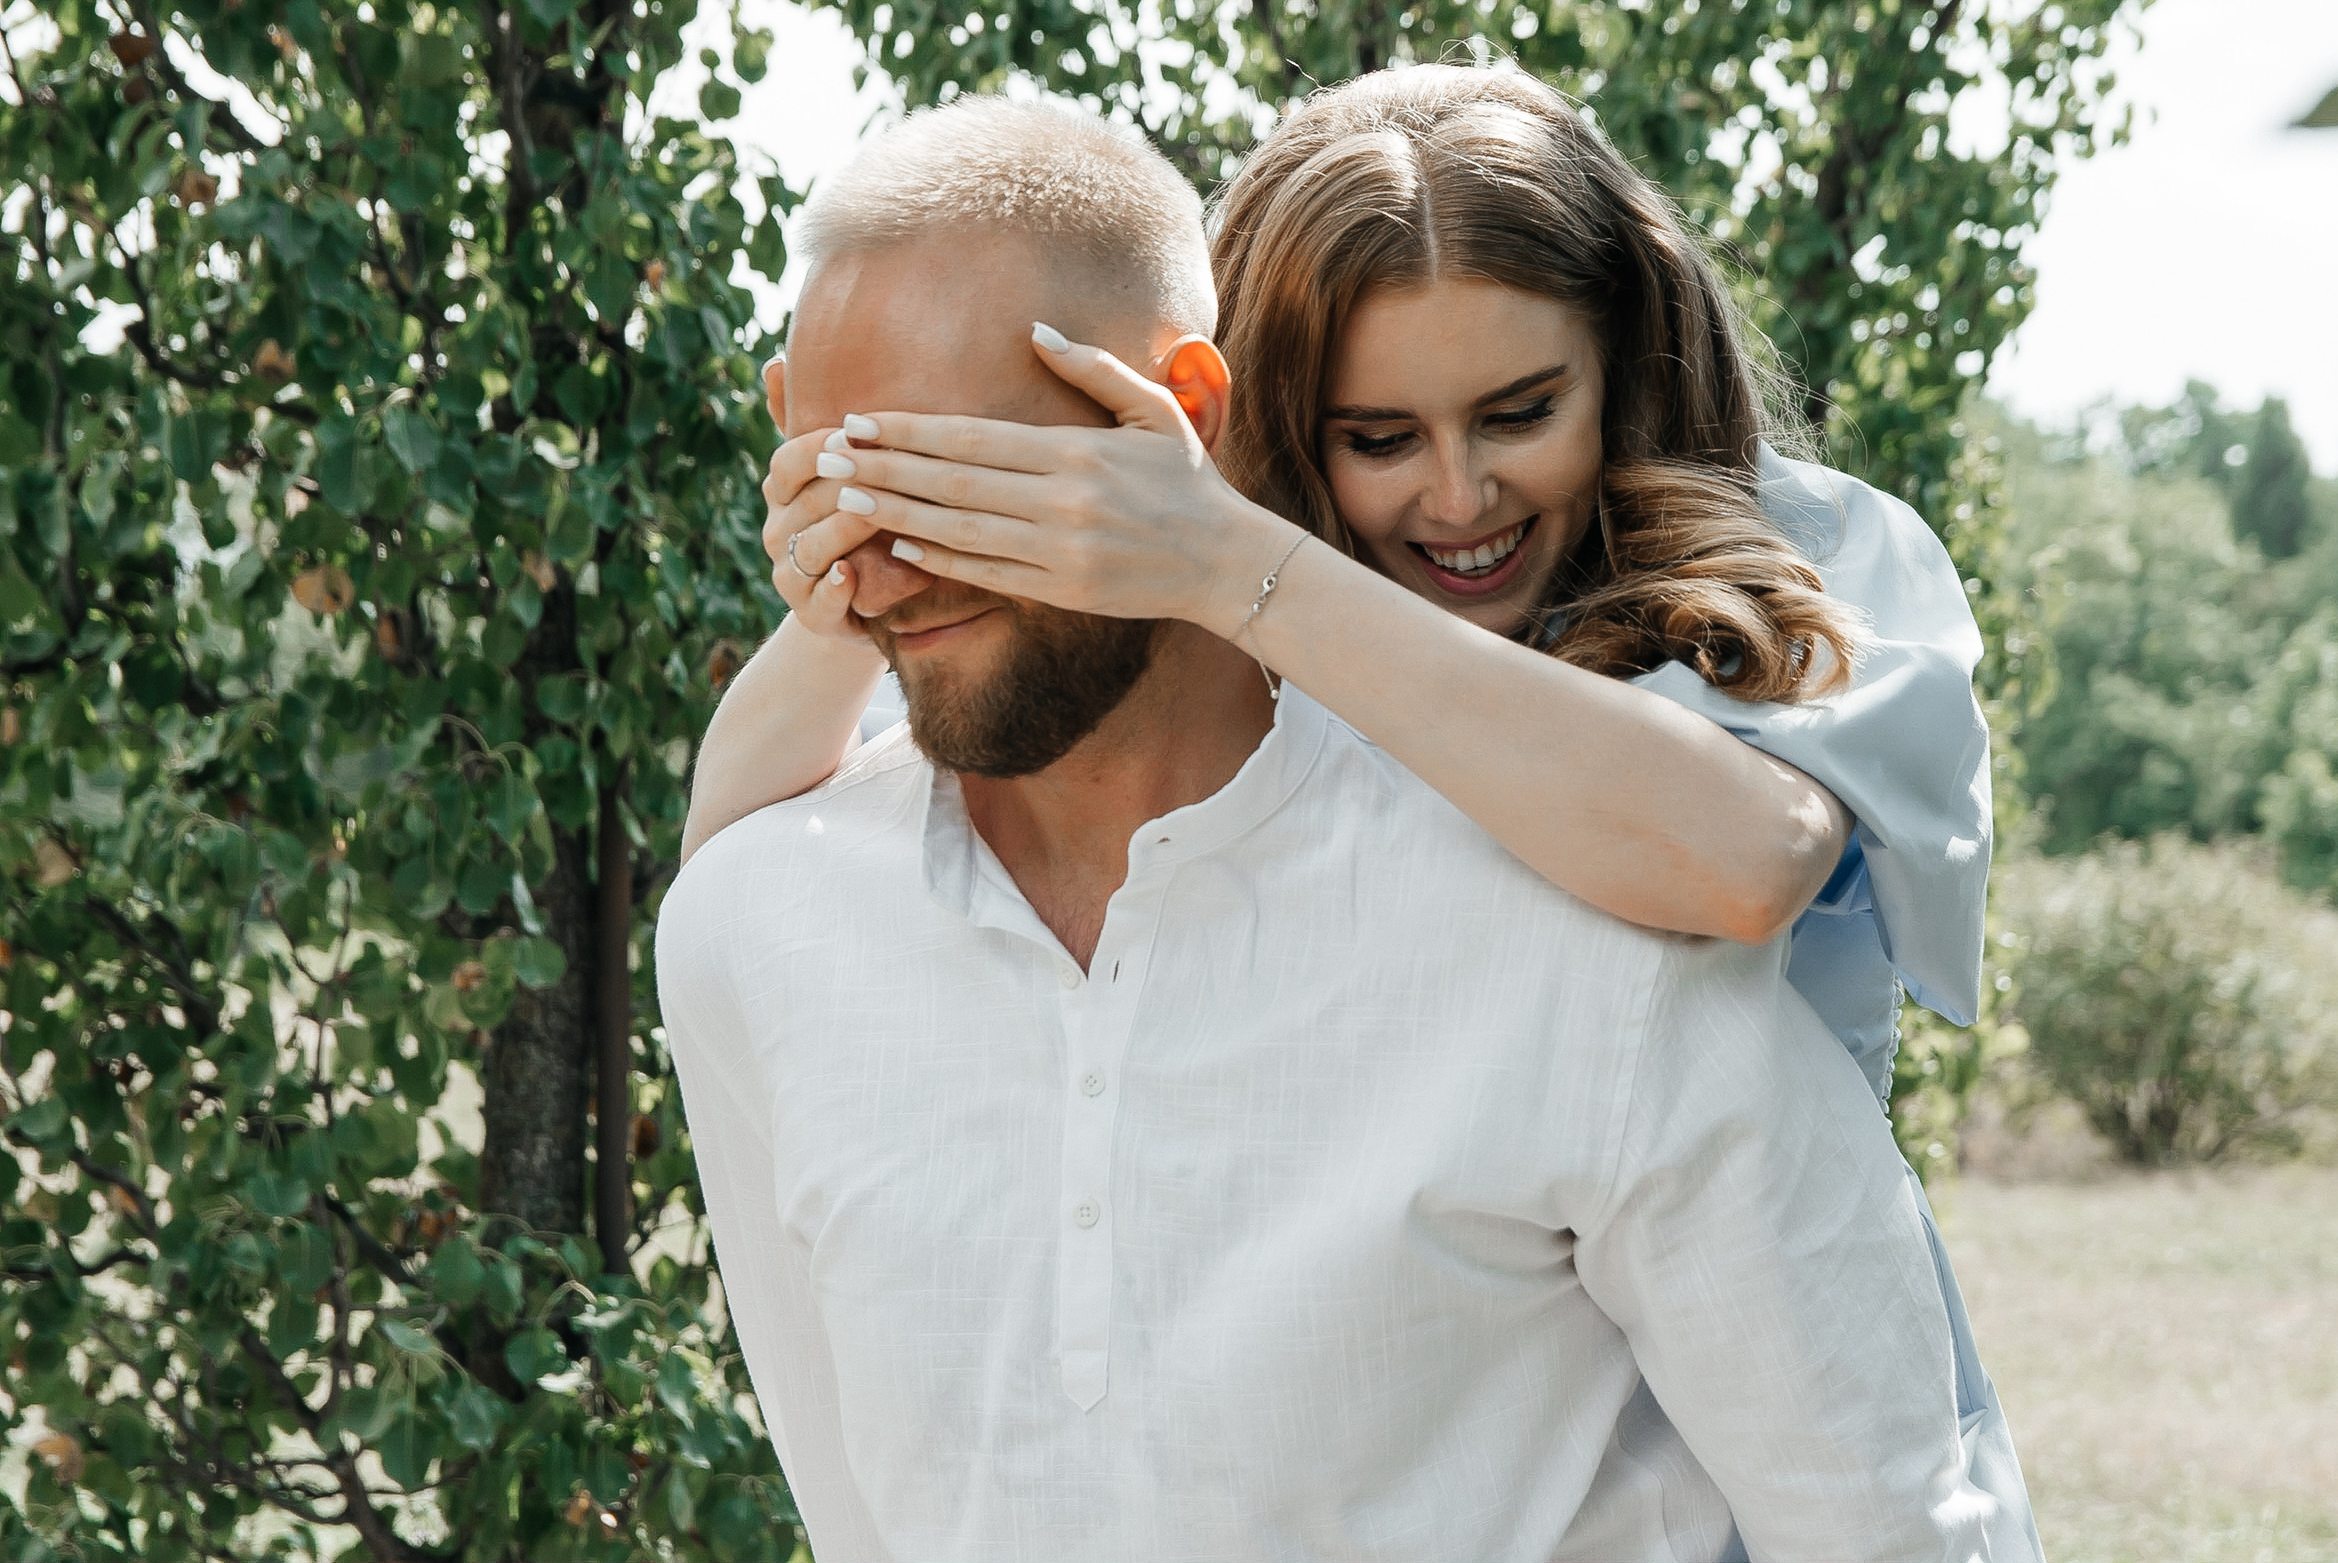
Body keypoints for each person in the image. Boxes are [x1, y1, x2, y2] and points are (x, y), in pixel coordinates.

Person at [658, 94, 2018, 1561]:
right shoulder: (1108, 695)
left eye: (1519, 411)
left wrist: (1226, 558)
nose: (1457, 496)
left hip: (1748, 1374)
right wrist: (856, 559)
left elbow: (1743, 864)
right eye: (1378, 436)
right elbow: (734, 881)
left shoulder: (1777, 577)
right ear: (1288, 429)